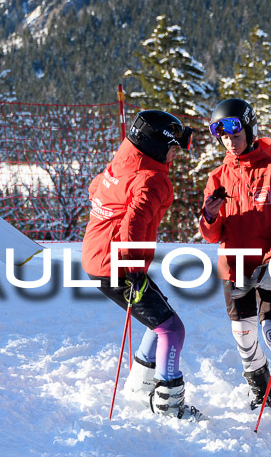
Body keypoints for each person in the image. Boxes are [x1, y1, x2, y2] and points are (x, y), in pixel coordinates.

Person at [81, 110, 202, 421]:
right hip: (117, 266)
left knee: (160, 320)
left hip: (100, 259)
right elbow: (133, 223)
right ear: (157, 147)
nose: (175, 156)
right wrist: (133, 268)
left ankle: (139, 386)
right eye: (174, 149)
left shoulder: (121, 165)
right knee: (173, 330)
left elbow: (96, 189)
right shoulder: (152, 179)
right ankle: (168, 404)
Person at [199, 99, 271, 424]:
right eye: (224, 136)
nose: (230, 141)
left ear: (249, 129)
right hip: (234, 267)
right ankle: (260, 385)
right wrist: (210, 216)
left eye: (236, 133)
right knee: (243, 336)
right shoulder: (218, 176)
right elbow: (211, 234)